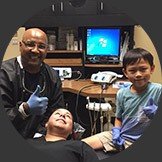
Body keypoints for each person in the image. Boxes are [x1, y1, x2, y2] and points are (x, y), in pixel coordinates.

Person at [82, 48, 162, 153]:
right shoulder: (122, 93)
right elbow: (119, 118)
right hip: (123, 136)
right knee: (80, 145)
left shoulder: (158, 90)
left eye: (143, 69)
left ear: (152, 69)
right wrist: (116, 132)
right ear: (125, 72)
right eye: (132, 70)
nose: (138, 74)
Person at [0, 28, 65, 138]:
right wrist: (25, 109)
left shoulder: (52, 76)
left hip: (40, 138)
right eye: (30, 44)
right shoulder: (4, 73)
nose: (35, 50)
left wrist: (41, 134)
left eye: (41, 46)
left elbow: (55, 112)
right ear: (20, 45)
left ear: (47, 50)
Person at [28, 108, 99, 162]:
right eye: (57, 114)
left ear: (72, 130)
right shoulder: (28, 142)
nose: (62, 115)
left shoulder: (80, 147)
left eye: (68, 116)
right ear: (46, 124)